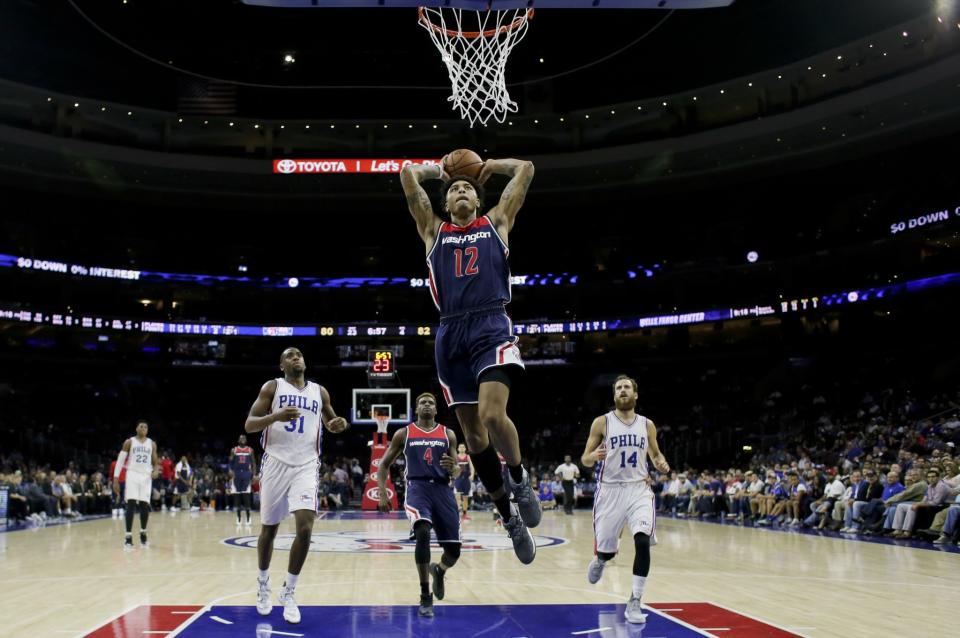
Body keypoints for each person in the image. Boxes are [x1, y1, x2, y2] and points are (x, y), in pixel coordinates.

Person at [400, 154, 540, 564]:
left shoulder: (496, 223)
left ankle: (518, 477)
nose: (461, 192)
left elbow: (526, 170)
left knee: (493, 416)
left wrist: (492, 165)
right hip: (450, 333)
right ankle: (509, 519)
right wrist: (437, 172)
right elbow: (408, 177)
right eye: (455, 190)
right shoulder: (433, 230)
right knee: (475, 439)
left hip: (491, 324)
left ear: (478, 201)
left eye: (467, 189)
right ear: (445, 204)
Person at [244, 347, 349, 624]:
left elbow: (331, 422)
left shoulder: (319, 391)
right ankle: (263, 583)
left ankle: (289, 591)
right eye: (290, 356)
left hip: (306, 465)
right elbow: (250, 425)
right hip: (275, 463)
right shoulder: (272, 387)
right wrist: (274, 417)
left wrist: (339, 424)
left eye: (300, 355)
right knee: (269, 530)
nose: (296, 358)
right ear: (282, 365)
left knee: (304, 528)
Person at [581, 375, 670, 624]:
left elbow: (655, 452)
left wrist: (660, 462)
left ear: (635, 394)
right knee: (607, 551)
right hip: (609, 491)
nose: (622, 390)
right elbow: (584, 459)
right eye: (618, 388)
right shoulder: (602, 423)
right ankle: (601, 558)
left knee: (642, 541)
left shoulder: (647, 425)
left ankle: (635, 600)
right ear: (614, 395)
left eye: (627, 387)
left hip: (638, 489)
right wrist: (594, 456)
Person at [377, 392, 463, 618]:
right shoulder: (403, 433)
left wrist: (453, 467)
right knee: (423, 531)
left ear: (436, 409)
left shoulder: (448, 434)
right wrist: (384, 492)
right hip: (417, 488)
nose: (427, 404)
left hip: (443, 490)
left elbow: (457, 470)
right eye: (422, 402)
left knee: (453, 551)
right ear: (416, 409)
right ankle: (425, 594)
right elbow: (384, 464)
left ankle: (440, 570)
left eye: (431, 402)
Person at [112, 420, 159, 549]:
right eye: (141, 426)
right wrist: (115, 479)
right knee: (131, 504)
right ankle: (128, 537)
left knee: (144, 505)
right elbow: (120, 461)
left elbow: (155, 461)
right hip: (132, 474)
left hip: (146, 476)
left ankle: (143, 534)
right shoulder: (129, 442)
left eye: (146, 427)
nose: (143, 428)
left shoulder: (152, 444)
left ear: (147, 430)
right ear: (136, 428)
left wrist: (155, 470)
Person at [229, 434, 257, 527]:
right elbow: (230, 463)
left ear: (246, 440)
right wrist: (230, 471)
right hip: (237, 474)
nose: (243, 439)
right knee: (237, 497)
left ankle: (248, 518)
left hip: (246, 474)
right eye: (241, 438)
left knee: (246, 496)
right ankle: (238, 517)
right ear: (238, 440)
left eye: (244, 438)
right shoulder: (234, 450)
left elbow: (253, 463)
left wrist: (253, 475)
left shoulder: (250, 450)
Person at [453, 443, 474, 520]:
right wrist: (452, 476)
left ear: (465, 449)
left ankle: (464, 515)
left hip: (466, 479)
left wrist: (472, 475)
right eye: (460, 447)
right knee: (457, 497)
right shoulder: (455, 457)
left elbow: (472, 467)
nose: (461, 448)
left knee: (465, 498)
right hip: (458, 479)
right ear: (458, 449)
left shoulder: (468, 457)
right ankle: (457, 514)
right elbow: (452, 468)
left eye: (463, 447)